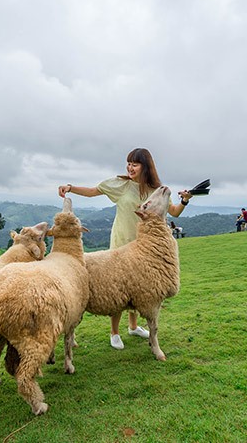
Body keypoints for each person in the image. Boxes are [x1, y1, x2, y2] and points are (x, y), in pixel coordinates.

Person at [58, 147, 192, 350]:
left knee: (140, 287)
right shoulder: (121, 185)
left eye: (135, 164)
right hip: (122, 240)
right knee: (116, 288)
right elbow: (95, 191)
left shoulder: (156, 190)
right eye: (128, 163)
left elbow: (173, 212)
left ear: (145, 167)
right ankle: (114, 332)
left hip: (146, 245)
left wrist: (185, 200)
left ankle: (133, 326)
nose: (130, 167)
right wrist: (70, 188)